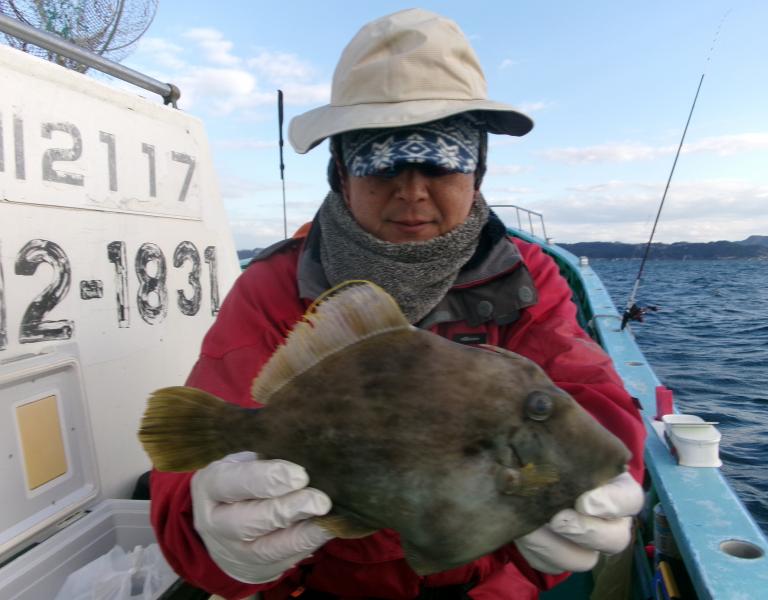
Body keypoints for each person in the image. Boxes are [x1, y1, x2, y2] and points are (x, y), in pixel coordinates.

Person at [149, 8, 646, 600]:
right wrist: (214, 542)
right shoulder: (274, 286)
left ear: (478, 171)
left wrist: (605, 498)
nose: (412, 190)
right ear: (341, 173)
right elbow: (185, 486)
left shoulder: (525, 277)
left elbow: (591, 400)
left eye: (442, 159)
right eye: (381, 160)